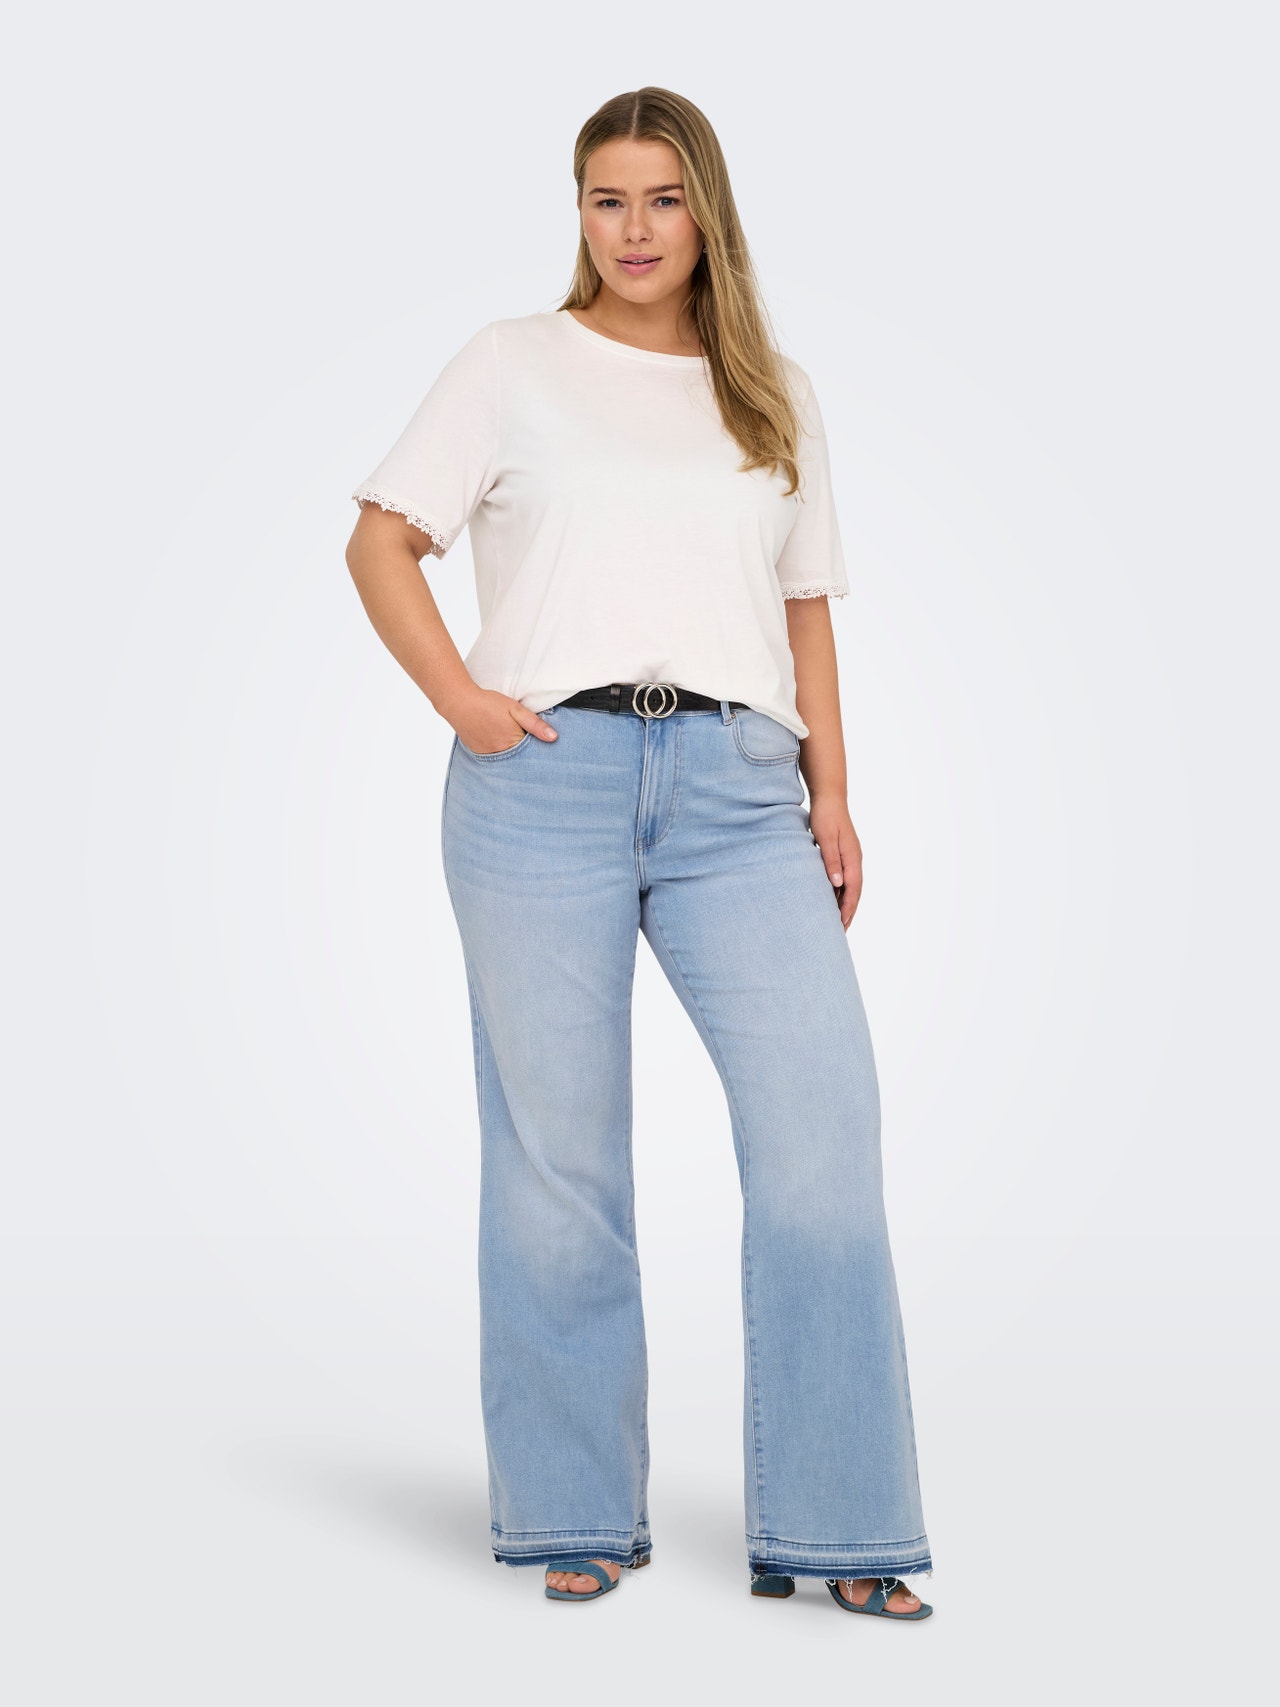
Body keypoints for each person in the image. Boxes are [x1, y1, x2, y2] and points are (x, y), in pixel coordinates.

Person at [344, 86, 933, 1619]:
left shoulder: (773, 393)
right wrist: (462, 699)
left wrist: (832, 793)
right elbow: (382, 538)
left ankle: (843, 1527)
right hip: (543, 781)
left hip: (740, 790)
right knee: (561, 1161)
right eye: (607, 199)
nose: (634, 228)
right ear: (580, 214)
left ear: (706, 212)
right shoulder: (511, 363)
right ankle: (572, 1510)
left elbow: (804, 605)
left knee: (823, 1143)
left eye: (663, 198)